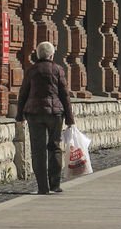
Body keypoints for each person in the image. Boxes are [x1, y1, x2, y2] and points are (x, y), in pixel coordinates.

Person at [16, 41, 76, 195]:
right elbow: (65, 95)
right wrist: (70, 119)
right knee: (55, 147)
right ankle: (55, 184)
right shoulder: (58, 70)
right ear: (52, 55)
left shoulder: (31, 70)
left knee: (38, 150)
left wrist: (19, 115)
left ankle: (42, 187)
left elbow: (23, 93)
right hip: (55, 114)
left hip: (34, 113)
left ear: (37, 54)